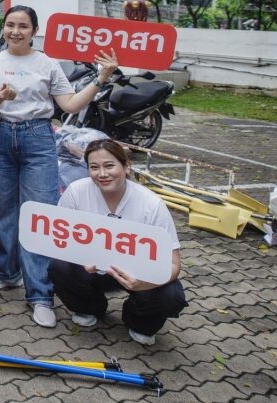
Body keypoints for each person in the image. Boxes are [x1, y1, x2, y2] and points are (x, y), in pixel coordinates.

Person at [0, 4, 118, 327]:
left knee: (39, 215)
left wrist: (101, 79)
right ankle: (5, 271)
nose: (15, 31)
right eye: (10, 25)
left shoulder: (47, 63)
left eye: (23, 26)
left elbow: (68, 104)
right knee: (3, 209)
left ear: (34, 30)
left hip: (38, 138)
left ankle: (40, 293)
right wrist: (0, 96)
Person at [50, 139, 187, 345]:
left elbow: (174, 265)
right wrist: (77, 256)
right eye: (94, 167)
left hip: (137, 273)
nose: (102, 174)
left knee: (171, 294)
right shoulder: (77, 191)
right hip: (92, 270)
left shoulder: (151, 204)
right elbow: (58, 240)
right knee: (59, 267)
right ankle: (89, 307)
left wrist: (143, 283)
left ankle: (139, 320)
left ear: (126, 167)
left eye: (109, 165)